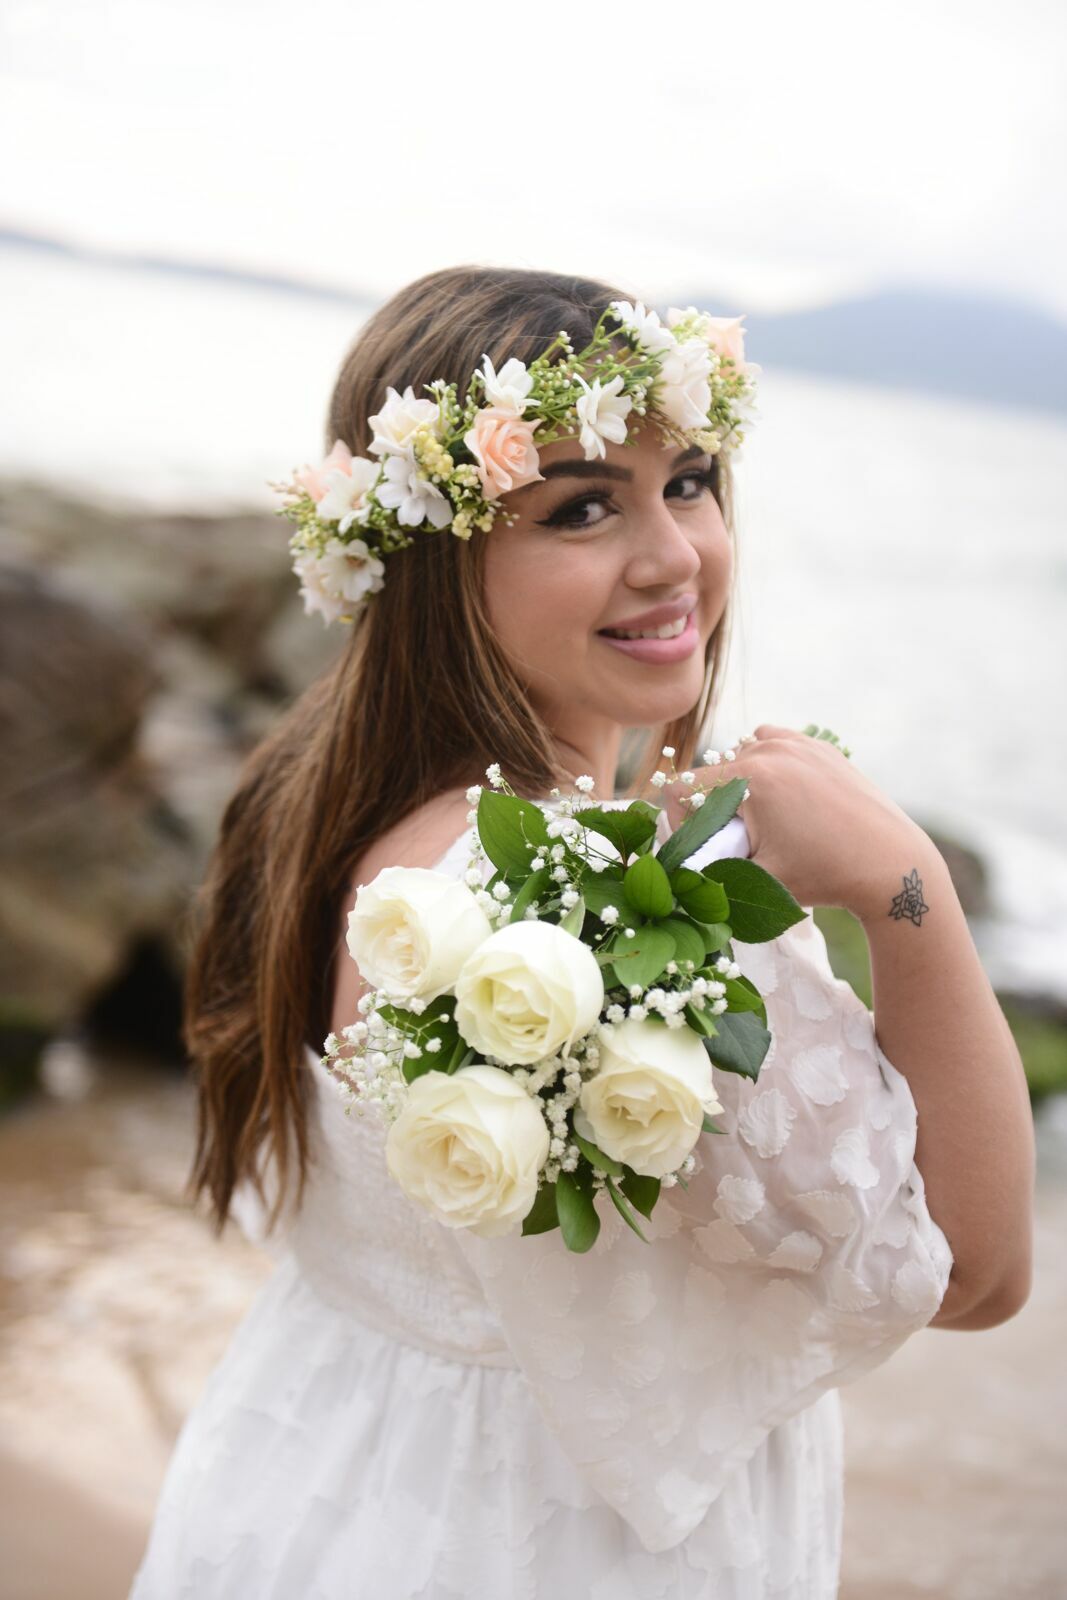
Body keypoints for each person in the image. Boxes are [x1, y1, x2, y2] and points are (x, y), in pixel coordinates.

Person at [128, 265, 1035, 1599]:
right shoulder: (583, 922)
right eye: (582, 507)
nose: (674, 554)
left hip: (319, 1473)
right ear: (437, 558)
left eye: (690, 481)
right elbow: (976, 1271)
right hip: (533, 1547)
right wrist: (908, 893)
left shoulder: (322, 794)